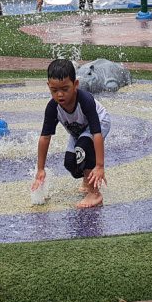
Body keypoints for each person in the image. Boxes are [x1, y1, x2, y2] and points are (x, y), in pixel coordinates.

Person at [32, 58, 109, 208]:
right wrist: (40, 169)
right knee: (70, 163)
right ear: (49, 86)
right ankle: (87, 179)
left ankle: (95, 193)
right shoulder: (52, 108)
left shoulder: (85, 101)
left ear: (75, 85)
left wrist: (99, 166)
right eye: (54, 90)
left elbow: (97, 133)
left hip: (100, 123)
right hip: (78, 131)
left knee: (84, 148)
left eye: (65, 89)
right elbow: (45, 137)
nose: (60, 95)